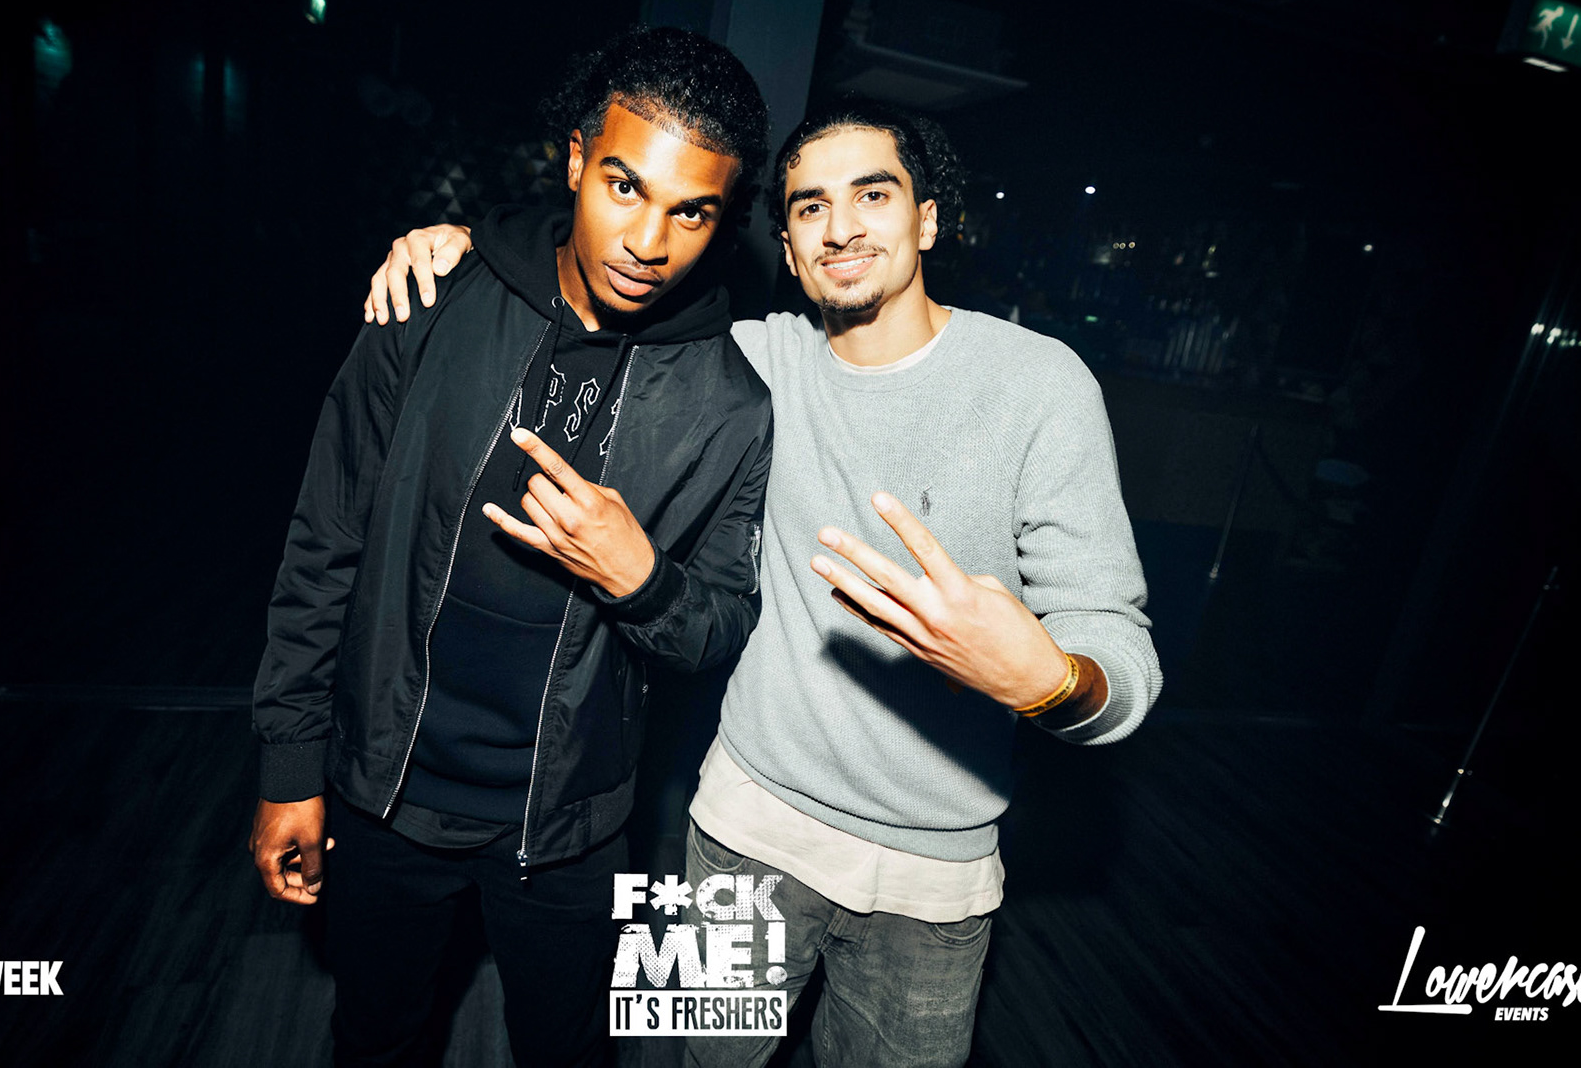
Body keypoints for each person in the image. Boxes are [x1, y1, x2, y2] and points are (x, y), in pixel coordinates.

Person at [365, 97, 1160, 1068]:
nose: (841, 227)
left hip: (936, 871)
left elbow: (1120, 657)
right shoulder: (752, 362)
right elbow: (593, 291)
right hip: (743, 825)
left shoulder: (1041, 383)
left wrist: (1048, 682)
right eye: (810, 207)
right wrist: (469, 250)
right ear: (786, 246)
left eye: (873, 195)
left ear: (928, 221)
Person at [251, 25, 775, 1068]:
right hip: (386, 789)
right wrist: (289, 763)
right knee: (376, 1040)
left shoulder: (731, 405)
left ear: (722, 221)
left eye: (691, 210)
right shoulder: (429, 299)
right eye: (625, 186)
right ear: (576, 159)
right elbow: (324, 542)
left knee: (567, 1052)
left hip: (569, 824)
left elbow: (717, 629)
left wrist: (643, 581)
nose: (649, 240)